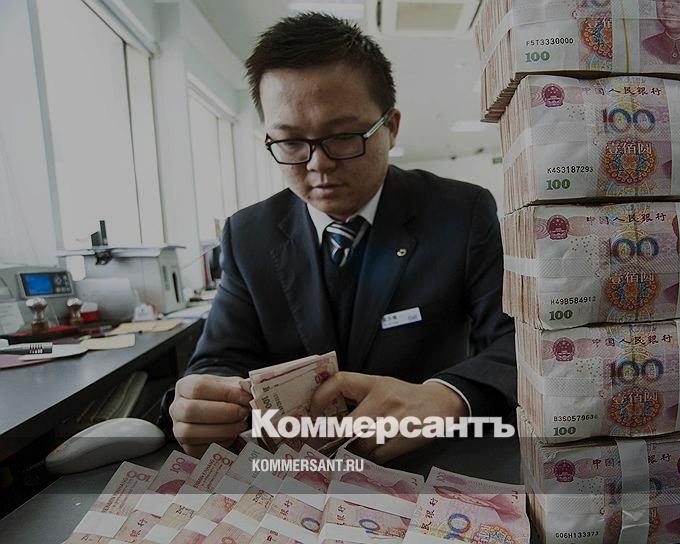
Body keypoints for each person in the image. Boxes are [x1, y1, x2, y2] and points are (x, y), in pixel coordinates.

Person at [163, 13, 516, 462]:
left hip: (429, 460)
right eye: (291, 142)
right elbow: (221, 357)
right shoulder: (249, 233)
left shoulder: (460, 212)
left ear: (391, 127)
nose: (318, 164)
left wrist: (445, 397)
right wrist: (204, 401)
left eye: (344, 137)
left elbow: (514, 342)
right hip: (295, 473)